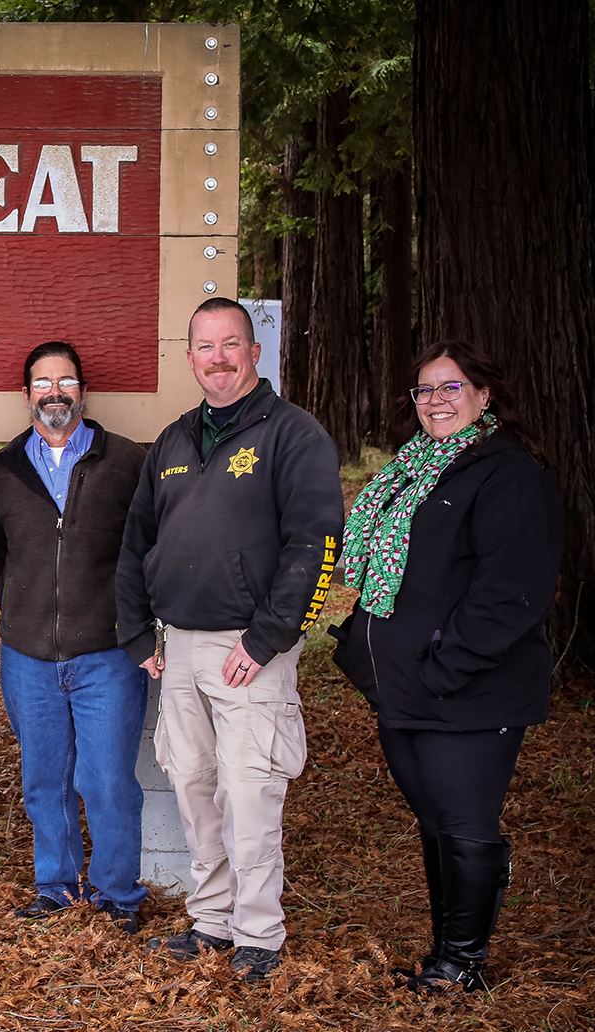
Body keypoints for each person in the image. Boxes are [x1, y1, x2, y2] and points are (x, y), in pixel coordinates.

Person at [115, 297, 343, 981]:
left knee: (249, 793)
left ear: (254, 351)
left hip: (252, 651)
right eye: (205, 347)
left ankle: (258, 935)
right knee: (192, 784)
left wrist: (267, 638)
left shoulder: (295, 436)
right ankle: (211, 921)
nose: (217, 359)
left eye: (230, 344)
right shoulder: (175, 441)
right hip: (179, 645)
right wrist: (135, 631)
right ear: (190, 358)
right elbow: (137, 543)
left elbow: (315, 546)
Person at [331, 340, 561, 993]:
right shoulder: (415, 468)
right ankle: (447, 955)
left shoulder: (508, 476)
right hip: (403, 686)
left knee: (463, 822)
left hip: (469, 689)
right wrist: (362, 649)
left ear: (485, 395)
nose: (435, 401)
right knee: (436, 822)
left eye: (451, 387)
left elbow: (511, 593)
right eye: (425, 390)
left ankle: (461, 965)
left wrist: (442, 667)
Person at [0, 341, 149, 934]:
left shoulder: (127, 462)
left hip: (107, 653)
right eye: (43, 382)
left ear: (83, 390)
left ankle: (117, 893)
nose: (56, 392)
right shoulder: (0, 471)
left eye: (67, 381)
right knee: (44, 780)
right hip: (27, 654)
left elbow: (145, 550)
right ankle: (54, 886)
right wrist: (30, 604)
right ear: (26, 394)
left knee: (107, 780)